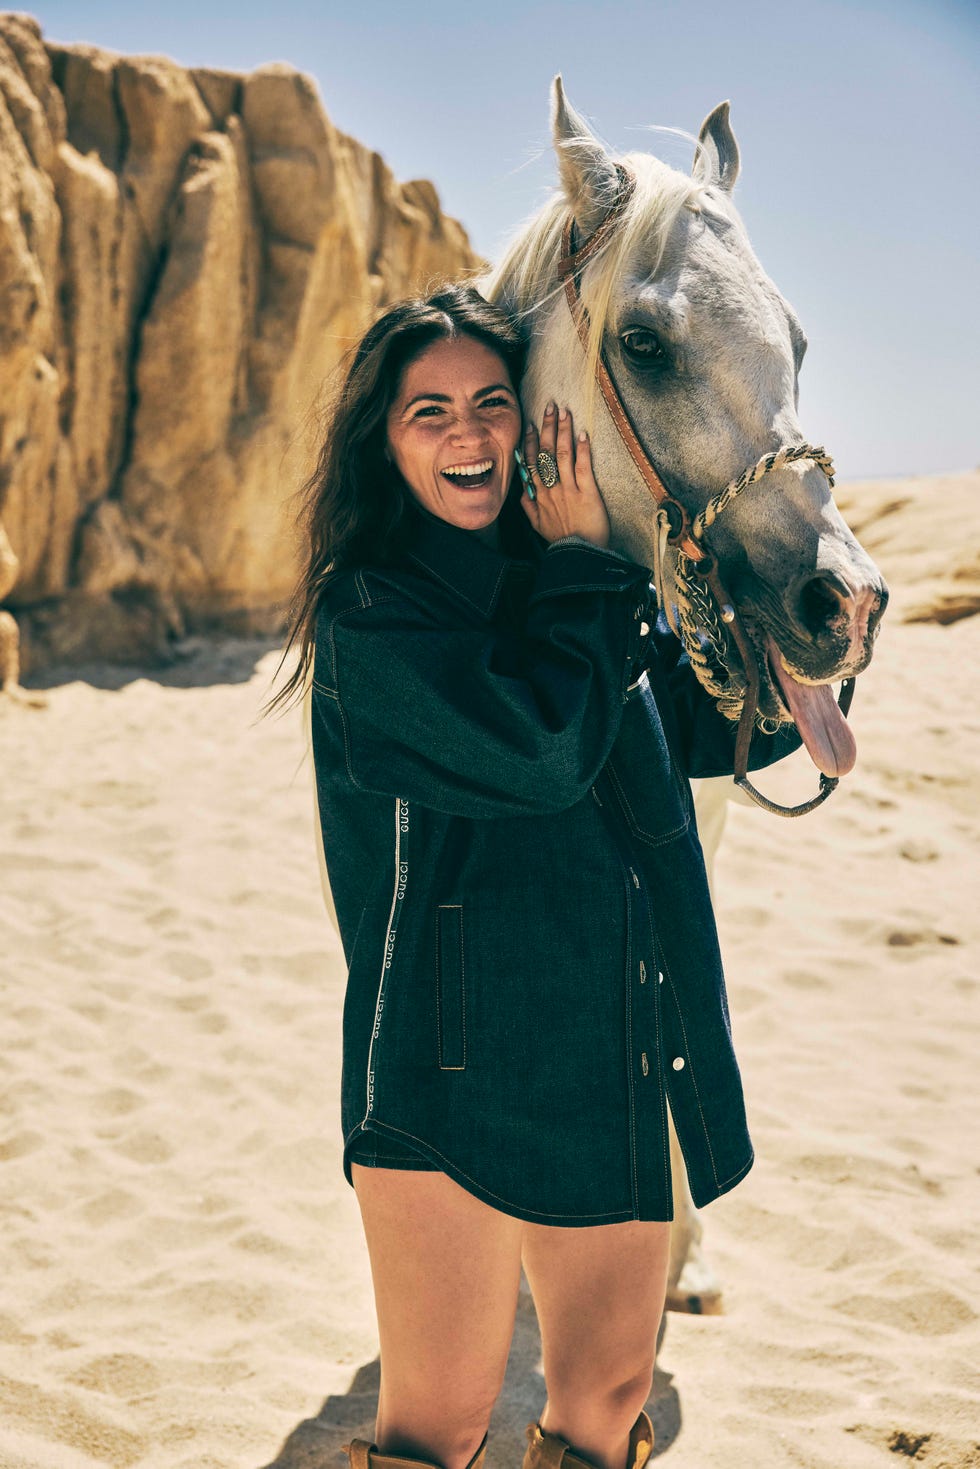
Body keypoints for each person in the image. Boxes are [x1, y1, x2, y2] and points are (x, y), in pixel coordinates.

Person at [271, 284, 799, 1469]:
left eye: (491, 402)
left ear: (530, 417)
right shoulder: (372, 615)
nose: (468, 434)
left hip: (611, 1051)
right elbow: (545, 749)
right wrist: (581, 569)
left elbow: (723, 730)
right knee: (437, 1425)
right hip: (439, 1071)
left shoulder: (586, 581)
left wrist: (804, 616)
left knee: (604, 1412)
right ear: (382, 439)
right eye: (427, 411)